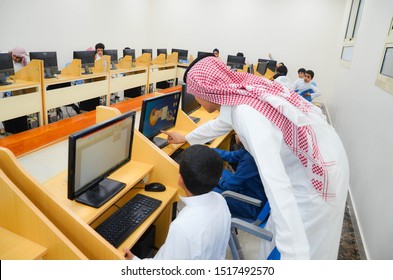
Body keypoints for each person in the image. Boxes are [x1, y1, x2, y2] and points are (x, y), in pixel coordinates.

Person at [161, 55, 349, 260]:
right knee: (275, 239)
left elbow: (276, 183)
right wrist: (186, 138)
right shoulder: (239, 99)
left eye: (195, 94)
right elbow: (221, 123)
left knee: (304, 246)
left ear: (206, 90)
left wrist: (292, 253)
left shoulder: (247, 114)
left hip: (316, 176)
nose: (195, 98)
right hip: (319, 156)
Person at [123, 144, 231, 260]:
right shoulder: (220, 201)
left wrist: (134, 260)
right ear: (218, 178)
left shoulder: (182, 227)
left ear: (180, 180)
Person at [212, 134, 268, 220]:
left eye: (237, 132)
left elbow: (229, 186)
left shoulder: (249, 160)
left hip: (254, 205)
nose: (235, 134)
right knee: (221, 172)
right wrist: (209, 150)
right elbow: (231, 156)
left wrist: (215, 180)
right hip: (249, 192)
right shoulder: (250, 150)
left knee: (207, 189)